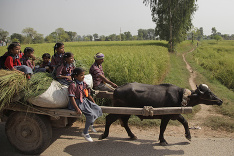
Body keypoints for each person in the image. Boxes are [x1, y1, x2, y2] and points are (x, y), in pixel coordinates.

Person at [68, 67, 102, 142]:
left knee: (97, 109)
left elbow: (87, 94)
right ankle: (85, 132)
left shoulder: (83, 83)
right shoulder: (73, 85)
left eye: (83, 75)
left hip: (84, 100)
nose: (83, 77)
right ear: (76, 76)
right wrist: (77, 108)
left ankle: (90, 124)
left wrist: (92, 101)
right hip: (77, 102)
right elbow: (72, 98)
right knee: (90, 115)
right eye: (81, 75)